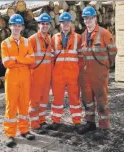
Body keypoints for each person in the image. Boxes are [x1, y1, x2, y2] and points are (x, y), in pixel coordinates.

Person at [77, 6, 117, 138]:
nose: (88, 20)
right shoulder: (83, 35)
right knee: (87, 99)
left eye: (90, 18)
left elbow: (113, 51)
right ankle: (90, 123)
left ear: (95, 18)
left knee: (101, 99)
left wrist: (106, 66)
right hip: (86, 74)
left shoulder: (104, 33)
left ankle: (104, 126)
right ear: (83, 20)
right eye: (85, 18)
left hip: (99, 73)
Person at [1, 14, 36, 148]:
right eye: (14, 25)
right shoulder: (5, 43)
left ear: (22, 27)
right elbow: (6, 63)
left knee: (24, 104)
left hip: (25, 77)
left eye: (19, 25)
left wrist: (16, 59)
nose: (16, 28)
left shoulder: (27, 42)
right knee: (11, 105)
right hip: (12, 78)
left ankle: (24, 130)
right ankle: (10, 133)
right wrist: (23, 59)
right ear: (10, 27)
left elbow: (32, 59)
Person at [46, 12, 82, 132]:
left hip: (73, 74)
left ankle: (77, 121)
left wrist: (79, 72)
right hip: (58, 75)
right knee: (57, 99)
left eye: (68, 21)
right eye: (63, 22)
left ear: (71, 23)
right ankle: (55, 121)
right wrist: (51, 73)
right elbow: (51, 57)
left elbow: (81, 57)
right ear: (60, 23)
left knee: (75, 99)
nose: (66, 24)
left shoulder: (78, 37)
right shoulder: (54, 38)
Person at [28, 13, 52, 134]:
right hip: (35, 76)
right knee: (34, 100)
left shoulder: (49, 39)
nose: (44, 26)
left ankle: (42, 120)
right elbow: (27, 58)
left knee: (44, 100)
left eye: (47, 24)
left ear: (49, 26)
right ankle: (34, 123)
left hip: (46, 76)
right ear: (39, 25)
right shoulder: (32, 39)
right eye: (42, 23)